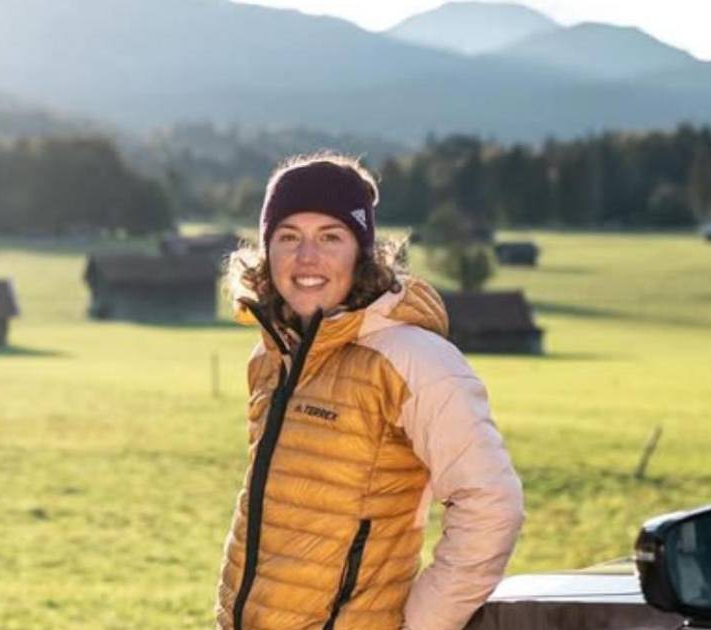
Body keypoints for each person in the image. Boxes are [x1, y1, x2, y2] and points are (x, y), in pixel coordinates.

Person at [215, 153, 524, 630]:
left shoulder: (415, 360)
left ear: (362, 254)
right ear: (266, 251)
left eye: (330, 237)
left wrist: (424, 625)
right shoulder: (272, 356)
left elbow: (492, 504)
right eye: (288, 237)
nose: (307, 257)